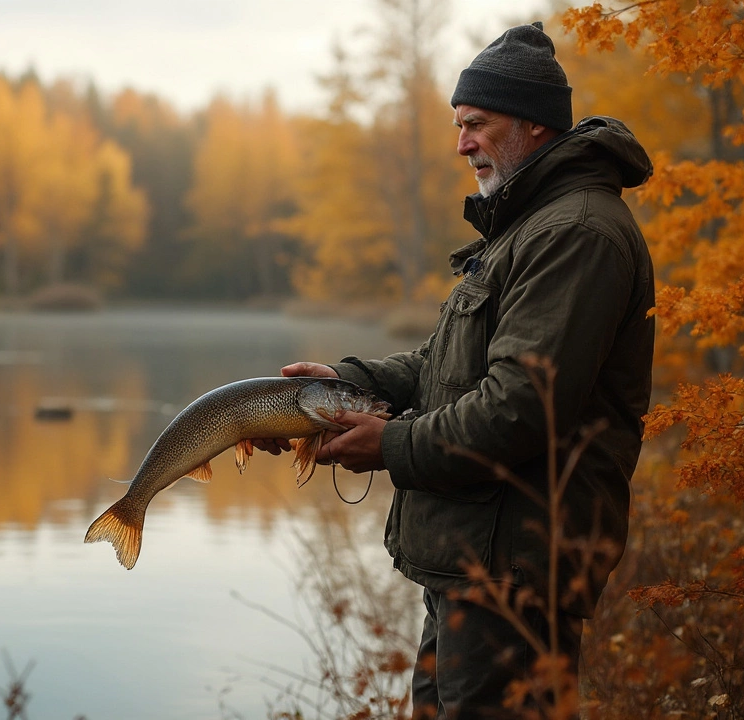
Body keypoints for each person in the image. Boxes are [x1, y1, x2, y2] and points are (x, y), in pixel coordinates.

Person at [257, 21, 654, 719]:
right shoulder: (525, 229)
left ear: (532, 126)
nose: (461, 143)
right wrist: (350, 382)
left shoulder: (576, 233)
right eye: (458, 124)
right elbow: (445, 365)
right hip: (475, 566)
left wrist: (392, 445)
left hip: (518, 572)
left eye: (476, 123)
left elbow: (519, 406)